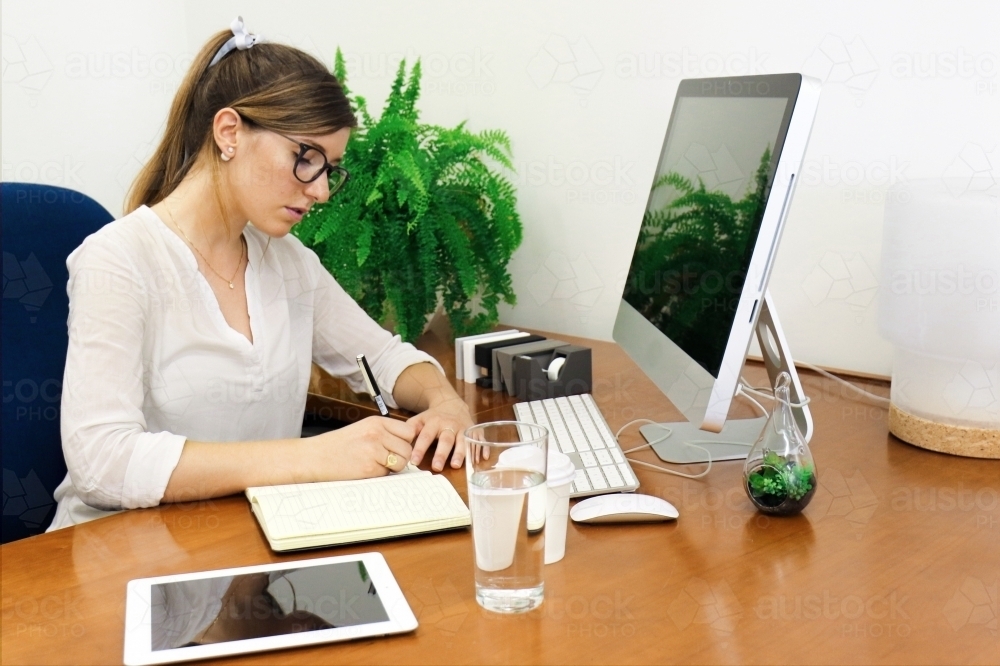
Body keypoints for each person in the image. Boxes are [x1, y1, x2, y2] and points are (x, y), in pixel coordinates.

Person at [49, 18, 472, 530]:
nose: (319, 191)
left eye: (329, 168)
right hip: (118, 562)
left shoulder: (289, 264)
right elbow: (102, 462)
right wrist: (312, 459)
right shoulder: (118, 259)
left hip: (248, 545)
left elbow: (382, 356)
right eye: (305, 157)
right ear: (230, 133)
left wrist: (444, 401)